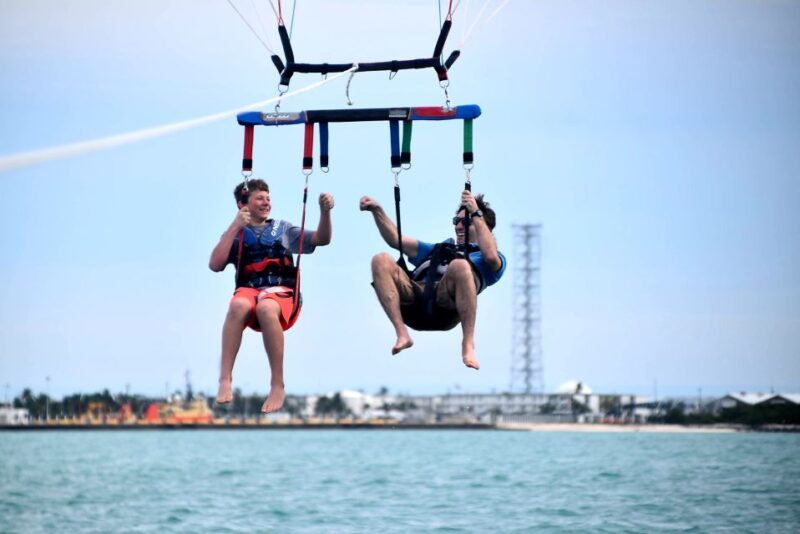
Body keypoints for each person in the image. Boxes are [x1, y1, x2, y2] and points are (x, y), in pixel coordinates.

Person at [210, 179, 334, 413]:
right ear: (242, 205)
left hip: (281, 296)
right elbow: (215, 265)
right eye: (259, 198)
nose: (266, 202)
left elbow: (322, 239)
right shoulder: (234, 234)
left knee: (266, 306)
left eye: (268, 197)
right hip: (250, 293)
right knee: (237, 305)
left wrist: (325, 212)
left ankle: (277, 384)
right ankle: (225, 378)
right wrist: (234, 226)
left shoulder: (285, 230)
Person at [360, 190, 505, 370]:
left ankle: (468, 344)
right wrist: (377, 211)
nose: (459, 226)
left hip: (446, 306)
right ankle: (402, 334)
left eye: (466, 222)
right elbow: (395, 240)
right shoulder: (439, 249)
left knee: (459, 265)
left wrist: (476, 212)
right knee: (380, 259)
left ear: (483, 225)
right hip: (415, 301)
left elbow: (490, 256)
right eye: (456, 221)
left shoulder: (491, 259)